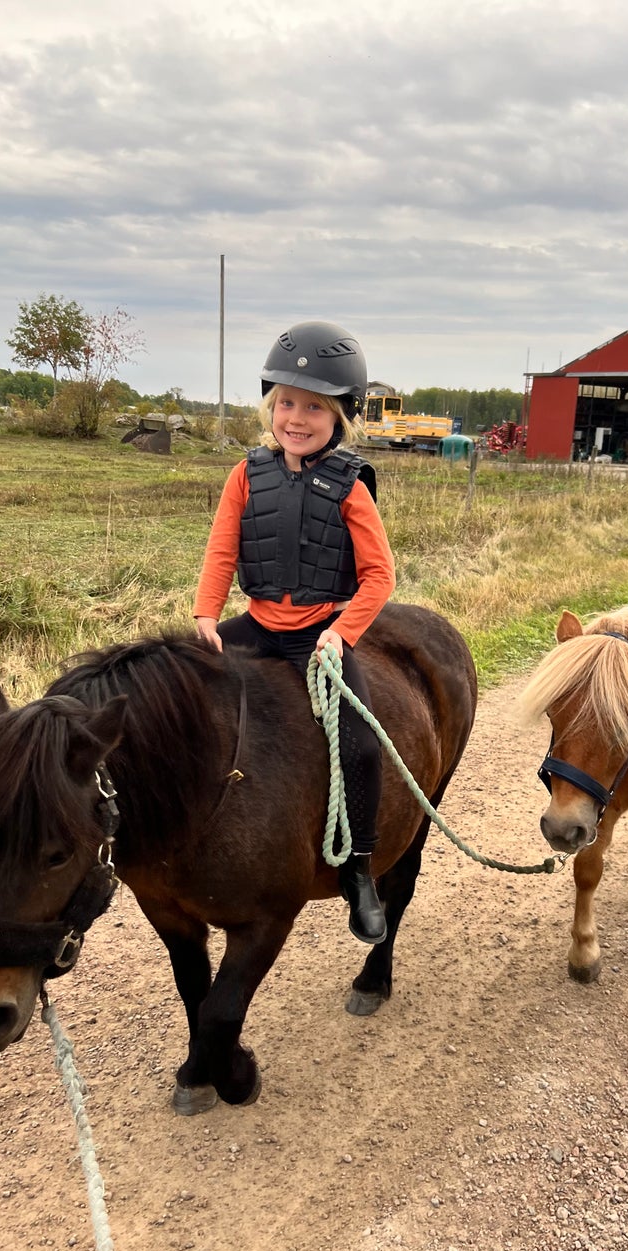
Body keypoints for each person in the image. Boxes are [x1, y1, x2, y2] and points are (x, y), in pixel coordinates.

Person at [193, 321, 396, 944]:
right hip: (256, 624)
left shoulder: (350, 485)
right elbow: (222, 550)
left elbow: (380, 576)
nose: (297, 418)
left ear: (341, 416)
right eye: (287, 403)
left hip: (319, 634)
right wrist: (206, 615)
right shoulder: (245, 474)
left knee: (360, 746)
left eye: (314, 407)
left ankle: (358, 871)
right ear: (270, 406)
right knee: (182, 691)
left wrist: (343, 633)